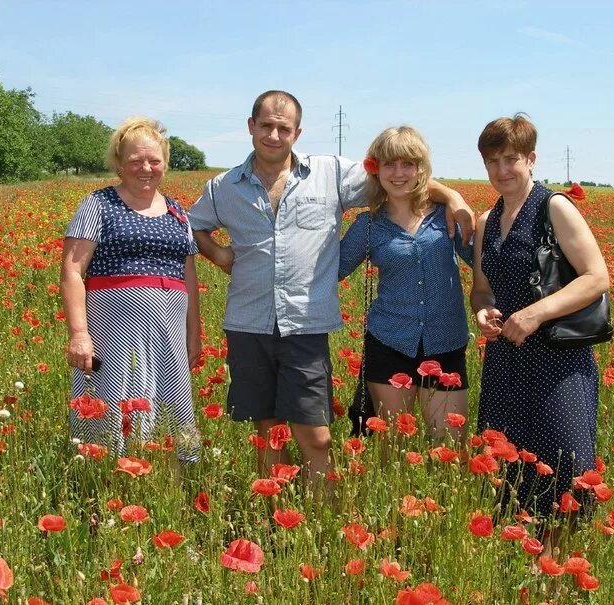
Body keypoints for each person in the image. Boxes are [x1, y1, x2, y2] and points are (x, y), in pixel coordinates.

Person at [188, 90, 475, 490]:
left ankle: (326, 516)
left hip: (306, 325)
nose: (274, 135)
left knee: (318, 437)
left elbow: (397, 175)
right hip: (249, 322)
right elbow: (192, 224)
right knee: (267, 431)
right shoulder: (223, 187)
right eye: (266, 126)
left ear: (297, 132)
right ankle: (278, 512)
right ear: (251, 127)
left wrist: (453, 196)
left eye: (283, 128)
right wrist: (219, 254)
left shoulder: (330, 173)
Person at [470, 114, 610, 522]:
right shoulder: (487, 222)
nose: (501, 170)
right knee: (508, 468)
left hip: (558, 359)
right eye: (492, 162)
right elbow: (481, 287)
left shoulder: (554, 207)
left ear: (531, 159)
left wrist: (534, 314)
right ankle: (519, 554)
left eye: (510, 159)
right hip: (506, 360)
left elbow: (597, 277)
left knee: (562, 465)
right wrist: (481, 311)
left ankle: (560, 564)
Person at [60, 117, 201, 463]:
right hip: (116, 332)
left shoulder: (177, 212)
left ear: (165, 163)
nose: (146, 168)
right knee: (112, 405)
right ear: (120, 164)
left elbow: (189, 276)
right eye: (136, 160)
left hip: (168, 332)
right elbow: (72, 270)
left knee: (170, 408)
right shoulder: (99, 204)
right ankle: (105, 485)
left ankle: (168, 485)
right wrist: (79, 333)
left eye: (154, 160)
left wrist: (194, 331)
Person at [339, 127, 472, 447]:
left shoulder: (447, 216)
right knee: (392, 449)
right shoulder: (368, 225)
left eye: (407, 164)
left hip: (446, 342)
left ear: (421, 168)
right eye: (389, 165)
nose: (398, 174)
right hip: (389, 343)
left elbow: (485, 261)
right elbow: (334, 269)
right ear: (376, 170)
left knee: (450, 448)